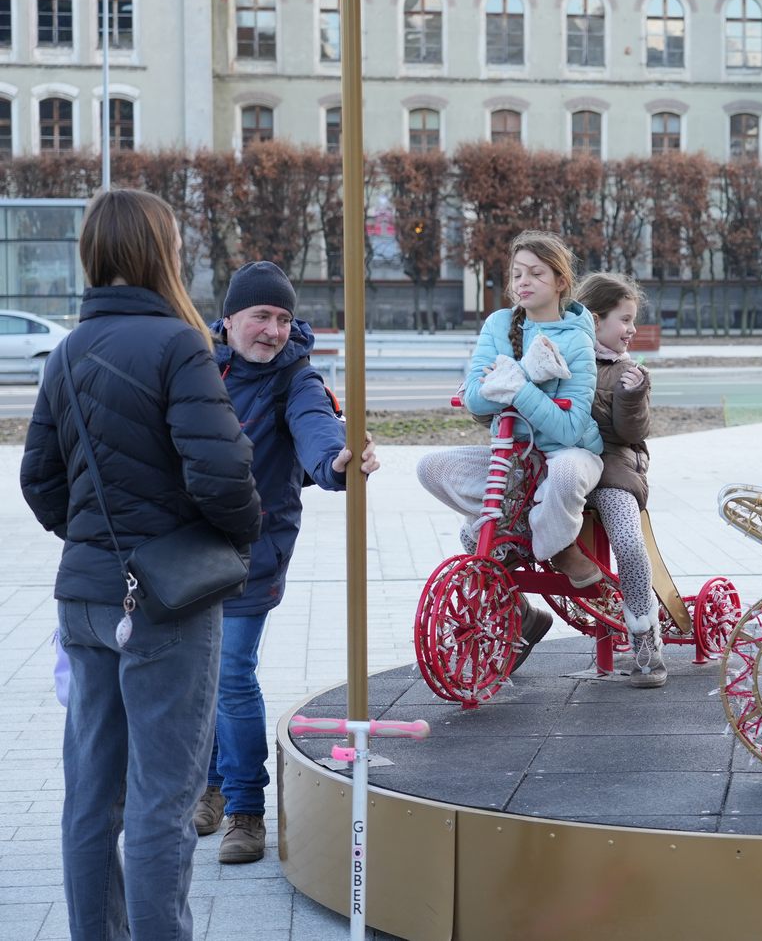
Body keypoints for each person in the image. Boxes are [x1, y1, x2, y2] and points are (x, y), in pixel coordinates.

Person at [21, 189, 262, 940]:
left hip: (87, 601)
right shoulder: (178, 345)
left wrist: (100, 541)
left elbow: (39, 481)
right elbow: (222, 476)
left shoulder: (66, 351)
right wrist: (234, 541)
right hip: (165, 608)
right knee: (163, 801)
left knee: (92, 798)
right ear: (162, 254)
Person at [194, 261, 381, 866]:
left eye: (281, 317)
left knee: (231, 672)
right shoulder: (198, 368)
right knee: (198, 674)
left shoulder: (295, 379)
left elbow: (316, 430)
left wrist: (337, 462)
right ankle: (212, 785)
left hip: (256, 547)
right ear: (230, 320)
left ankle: (246, 809)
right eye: (260, 317)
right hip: (188, 548)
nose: (273, 330)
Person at [419, 232, 604, 656]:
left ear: (560, 281)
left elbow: (569, 428)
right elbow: (475, 396)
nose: (523, 281)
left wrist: (516, 389)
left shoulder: (576, 338)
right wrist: (525, 374)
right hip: (513, 455)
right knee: (431, 467)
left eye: (536, 273)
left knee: (562, 474)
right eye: (517, 273)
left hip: (569, 452)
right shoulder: (499, 324)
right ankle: (521, 533)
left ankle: (557, 550)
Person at [574, 272, 666, 688]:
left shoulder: (627, 372)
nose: (631, 330)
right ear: (595, 320)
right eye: (624, 320)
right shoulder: (564, 358)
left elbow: (632, 434)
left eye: (632, 320)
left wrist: (631, 395)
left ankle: (645, 634)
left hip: (611, 470)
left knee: (628, 543)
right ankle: (517, 615)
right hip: (563, 468)